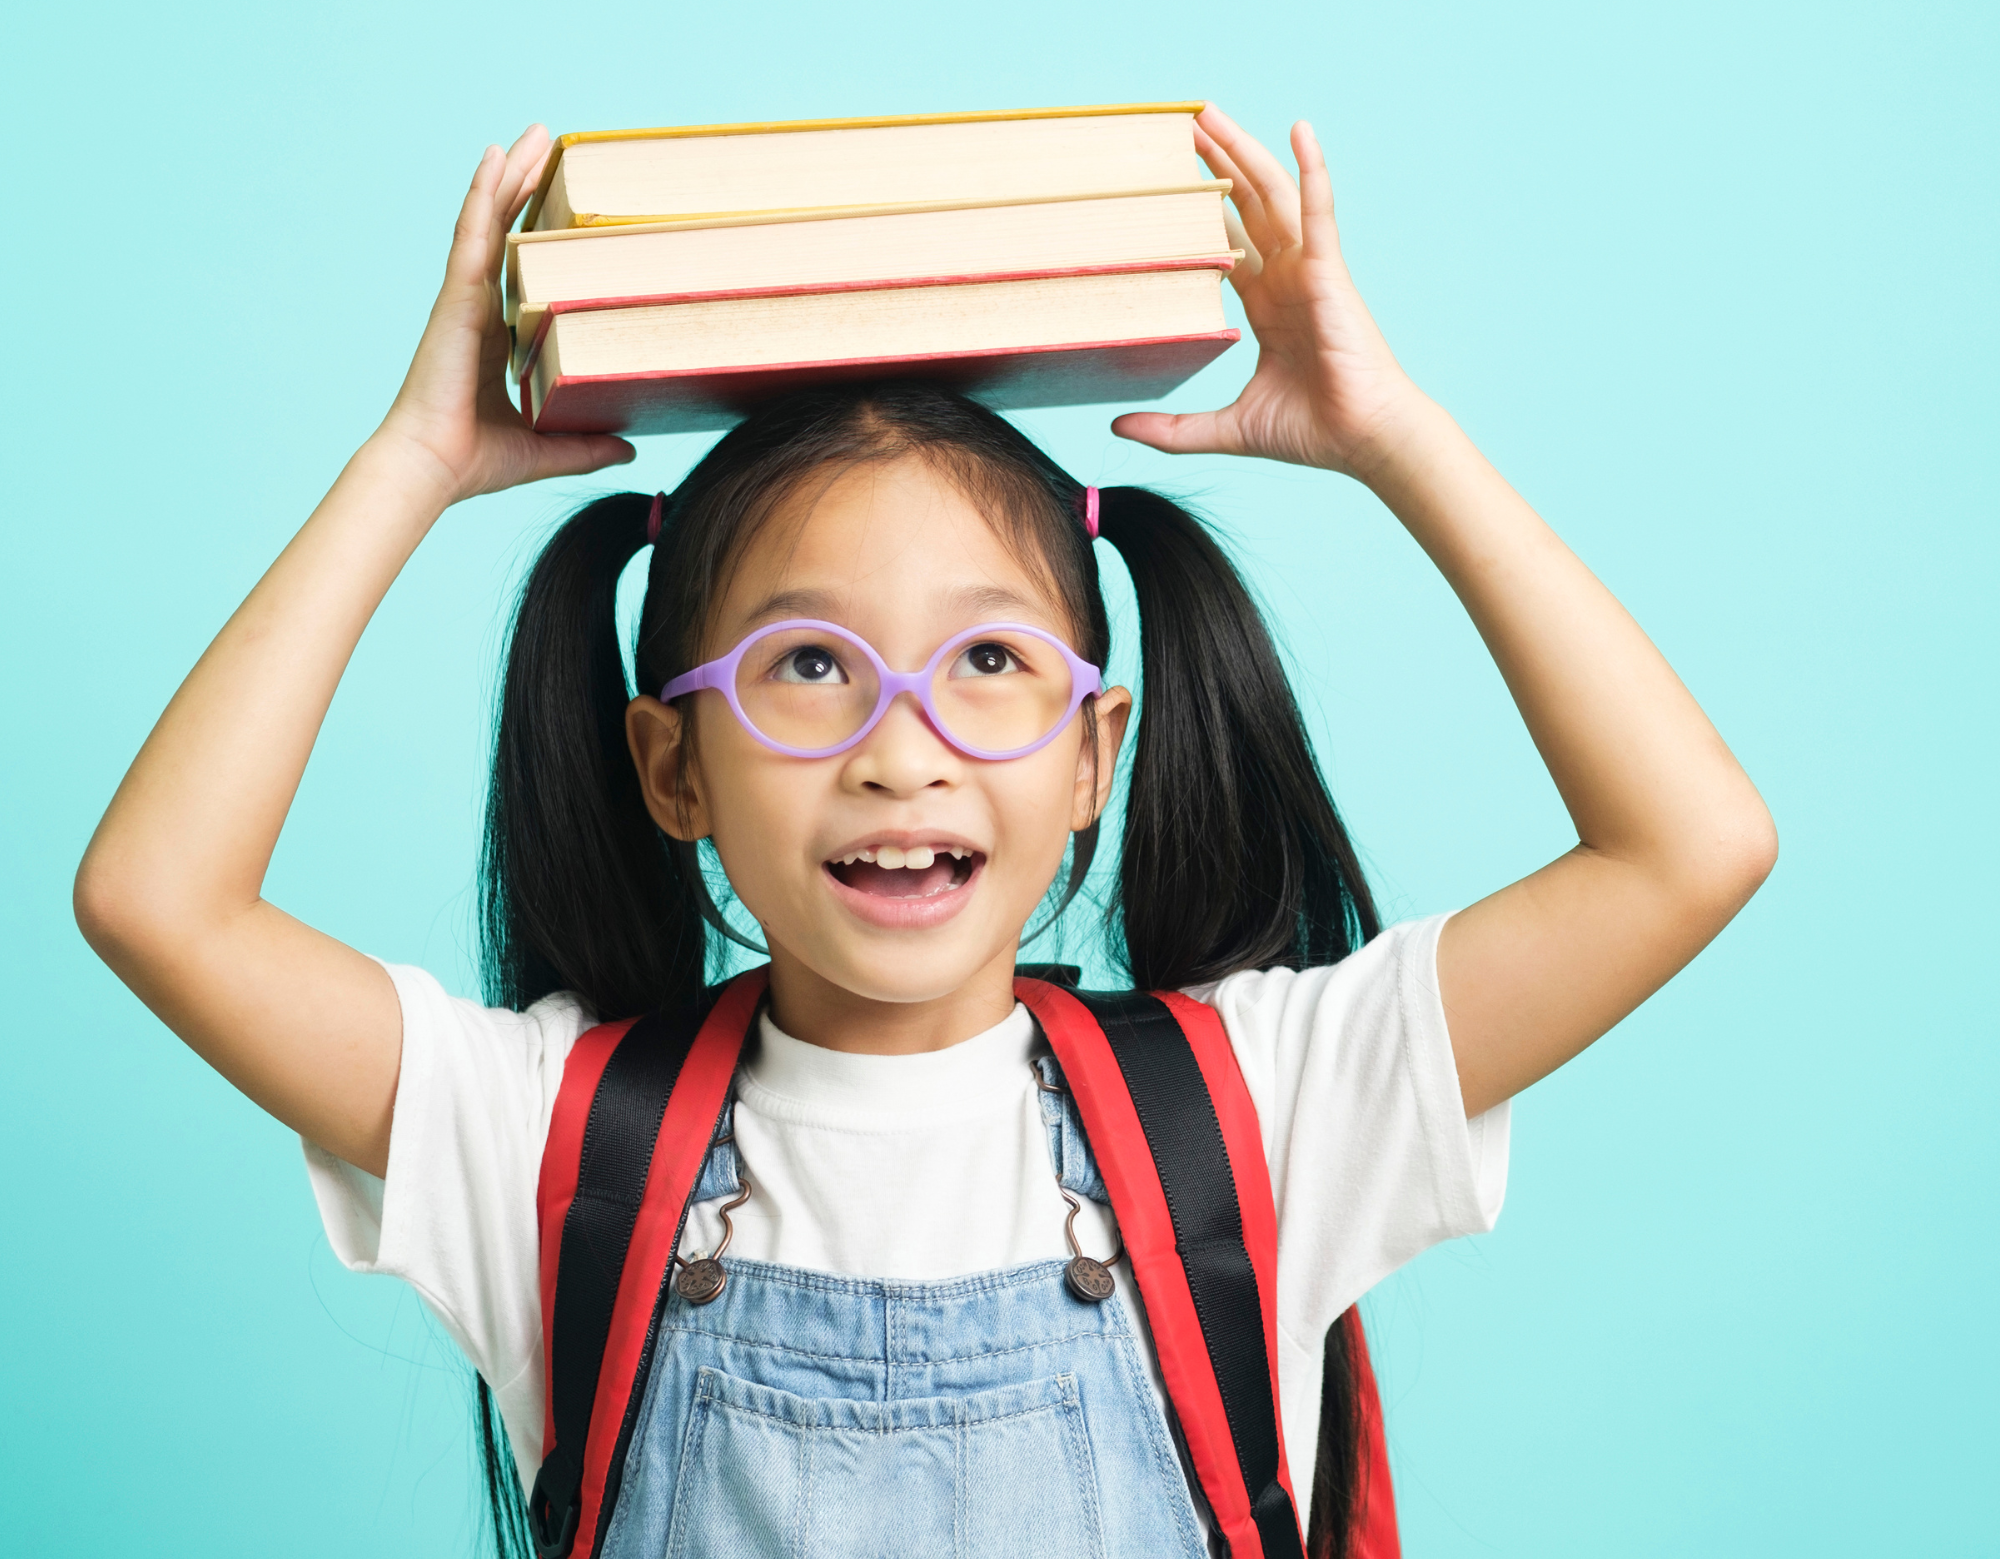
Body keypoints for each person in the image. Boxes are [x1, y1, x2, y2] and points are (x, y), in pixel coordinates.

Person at [75, 106, 1776, 1558]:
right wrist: (409, 465)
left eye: (989, 662)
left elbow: (1689, 845)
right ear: (671, 768)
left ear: (1099, 748)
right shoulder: (540, 1144)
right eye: (809, 665)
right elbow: (158, 901)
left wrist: (1394, 435)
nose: (907, 749)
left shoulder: (1267, 1108)